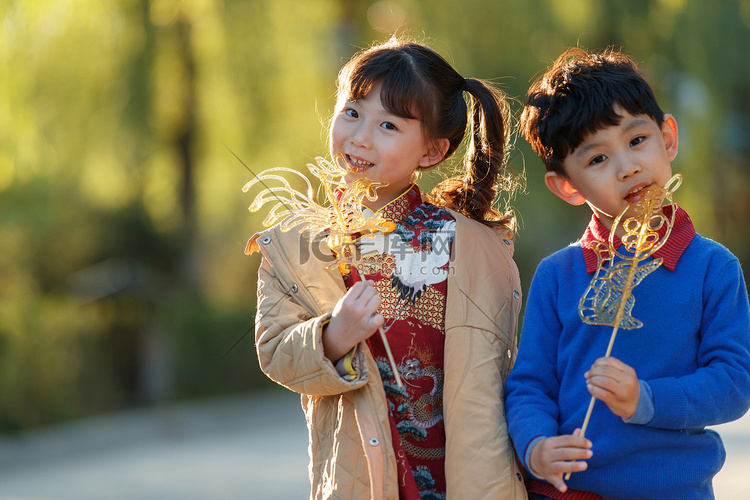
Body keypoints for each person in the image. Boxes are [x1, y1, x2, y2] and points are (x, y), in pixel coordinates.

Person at [246, 37, 527, 500]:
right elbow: (275, 350)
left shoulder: (473, 246)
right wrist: (334, 335)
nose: (359, 137)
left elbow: (500, 369)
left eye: (389, 125)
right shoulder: (300, 243)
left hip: (460, 470)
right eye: (352, 112)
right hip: (365, 469)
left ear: (432, 151)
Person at [504, 47, 750, 500]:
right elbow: (530, 385)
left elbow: (734, 382)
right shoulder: (558, 275)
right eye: (597, 160)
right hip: (567, 491)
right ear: (566, 186)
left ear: (668, 137)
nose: (627, 166)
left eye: (637, 141)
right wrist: (536, 446)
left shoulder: (713, 268)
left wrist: (645, 399)